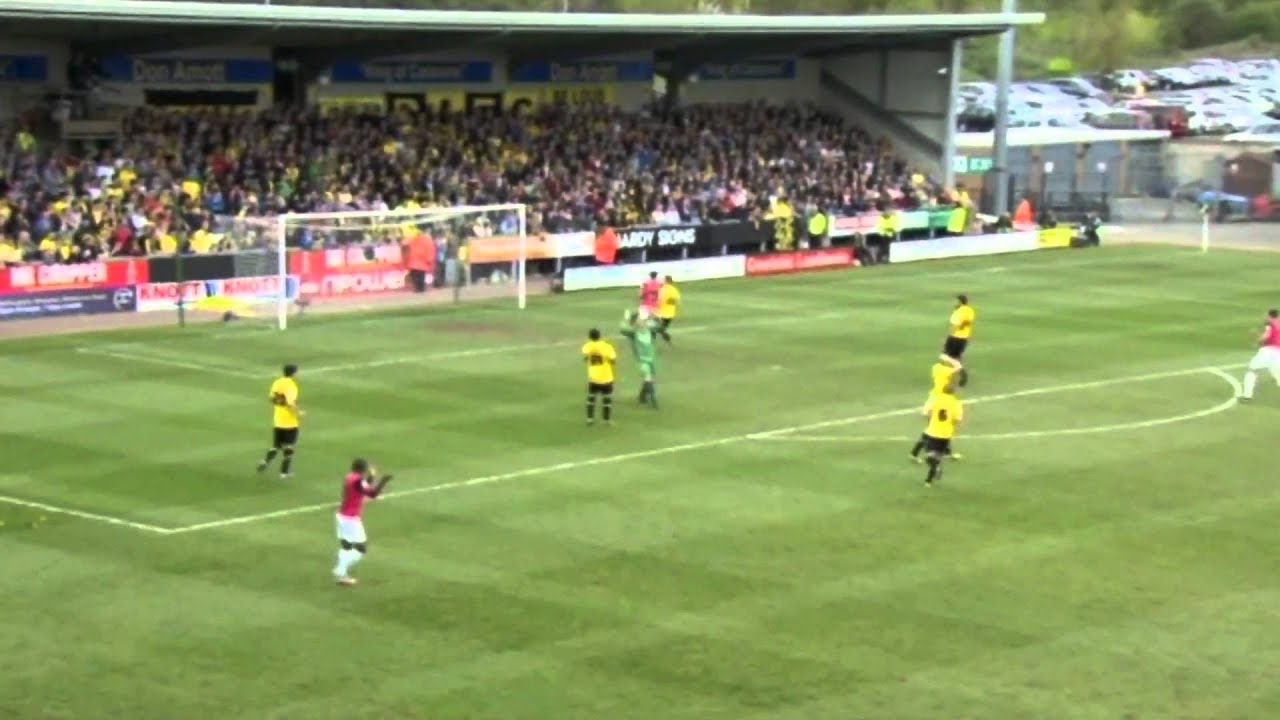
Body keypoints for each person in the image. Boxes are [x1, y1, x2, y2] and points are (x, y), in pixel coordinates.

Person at [333, 458, 393, 586]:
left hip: (342, 515)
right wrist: (383, 481)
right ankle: (341, 564)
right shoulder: (358, 481)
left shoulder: (350, 477)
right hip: (351, 519)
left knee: (347, 546)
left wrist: (371, 477)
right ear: (363, 469)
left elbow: (362, 487)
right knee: (361, 550)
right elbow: (373, 494)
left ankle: (342, 574)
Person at [909, 360, 963, 462]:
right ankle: (914, 453)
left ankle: (946, 452)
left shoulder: (937, 368)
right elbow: (957, 371)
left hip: (939, 399)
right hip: (938, 399)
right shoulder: (946, 372)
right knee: (933, 430)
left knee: (941, 427)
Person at [258, 363, 302, 479]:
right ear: (294, 373)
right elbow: (290, 403)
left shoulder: (277, 382)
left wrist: (280, 403)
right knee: (289, 447)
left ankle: (265, 461)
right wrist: (298, 412)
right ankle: (284, 472)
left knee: (276, 445)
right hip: (290, 422)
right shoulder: (292, 386)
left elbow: (271, 398)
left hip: (278, 420)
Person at [917, 380, 964, 487]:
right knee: (938, 457)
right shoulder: (956, 403)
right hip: (946, 434)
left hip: (933, 432)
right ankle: (928, 480)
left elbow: (924, 413)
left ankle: (933, 473)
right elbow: (958, 419)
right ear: (953, 392)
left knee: (929, 457)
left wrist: (930, 420)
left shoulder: (935, 399)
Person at [621, 309, 660, 408]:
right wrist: (626, 319)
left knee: (649, 378)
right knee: (648, 378)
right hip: (642, 360)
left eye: (643, 320)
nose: (643, 321)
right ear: (634, 323)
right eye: (639, 320)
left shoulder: (649, 329)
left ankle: (642, 396)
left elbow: (659, 325)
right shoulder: (633, 333)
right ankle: (653, 399)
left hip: (652, 358)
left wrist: (654, 316)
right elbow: (622, 329)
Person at [1240, 308, 1280, 401]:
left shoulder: (1270, 325)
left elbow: (1265, 337)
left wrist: (1258, 342)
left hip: (1268, 352)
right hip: (1278, 352)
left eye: (1266, 316)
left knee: (1252, 370)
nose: (1265, 317)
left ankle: (1247, 395)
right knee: (1276, 369)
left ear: (1270, 316)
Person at [582, 328, 618, 425]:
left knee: (591, 398)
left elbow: (585, 356)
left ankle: (590, 419)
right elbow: (613, 360)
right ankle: (606, 420)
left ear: (589, 337)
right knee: (607, 399)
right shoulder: (607, 346)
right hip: (606, 377)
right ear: (600, 336)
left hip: (593, 377)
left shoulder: (588, 346)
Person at [941, 294, 975, 387]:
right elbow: (970, 321)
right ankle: (957, 376)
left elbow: (955, 325)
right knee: (957, 357)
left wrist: (948, 335)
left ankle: (955, 374)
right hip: (964, 338)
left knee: (945, 357)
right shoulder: (970, 310)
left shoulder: (958, 312)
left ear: (960, 301)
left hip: (955, 337)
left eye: (956, 301)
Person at [655, 275, 679, 345]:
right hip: (671, 313)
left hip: (661, 313)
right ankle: (668, 341)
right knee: (661, 329)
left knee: (658, 328)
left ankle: (667, 340)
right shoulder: (674, 289)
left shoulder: (663, 289)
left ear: (666, 281)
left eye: (663, 280)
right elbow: (676, 301)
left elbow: (659, 300)